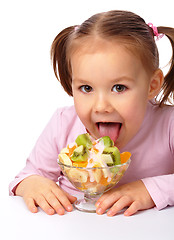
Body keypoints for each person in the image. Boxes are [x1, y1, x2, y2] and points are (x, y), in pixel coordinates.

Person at [9, 10, 174, 217]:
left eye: (119, 88)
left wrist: (149, 189)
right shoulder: (63, 124)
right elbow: (28, 176)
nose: (101, 106)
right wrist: (31, 184)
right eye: (86, 88)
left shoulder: (168, 123)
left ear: (152, 85)